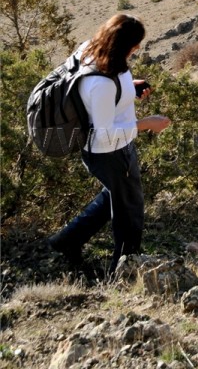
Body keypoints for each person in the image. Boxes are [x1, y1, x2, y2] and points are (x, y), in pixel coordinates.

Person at [47, 14, 171, 273]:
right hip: (110, 151)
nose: (137, 49)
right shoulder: (101, 83)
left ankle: (66, 241)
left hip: (107, 149)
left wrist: (128, 90)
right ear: (123, 44)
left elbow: (100, 100)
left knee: (115, 195)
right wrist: (147, 123)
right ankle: (126, 270)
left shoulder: (90, 50)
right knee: (130, 210)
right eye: (134, 45)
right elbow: (104, 132)